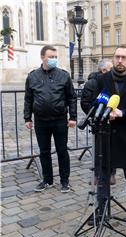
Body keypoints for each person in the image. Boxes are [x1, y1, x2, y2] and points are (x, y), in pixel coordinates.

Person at [91, 45, 126, 230]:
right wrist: (102, 114)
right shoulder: (102, 79)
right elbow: (94, 103)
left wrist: (122, 113)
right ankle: (101, 210)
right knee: (103, 175)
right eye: (117, 57)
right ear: (113, 58)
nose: (120, 60)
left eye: (124, 57)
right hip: (105, 136)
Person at [24, 45, 77, 193]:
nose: (54, 59)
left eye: (55, 57)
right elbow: (28, 98)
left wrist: (73, 117)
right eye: (51, 57)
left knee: (62, 151)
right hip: (41, 120)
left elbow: (72, 97)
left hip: (60, 119)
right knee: (44, 151)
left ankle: (65, 181)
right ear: (43, 57)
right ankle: (47, 180)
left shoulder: (64, 75)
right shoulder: (33, 76)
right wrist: (27, 117)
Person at [80, 59, 117, 185]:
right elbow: (85, 102)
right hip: (98, 121)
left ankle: (112, 174)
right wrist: (94, 115)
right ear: (103, 70)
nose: (113, 71)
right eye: (110, 69)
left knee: (112, 148)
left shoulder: (115, 82)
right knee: (98, 149)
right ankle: (96, 174)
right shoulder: (92, 83)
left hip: (113, 120)